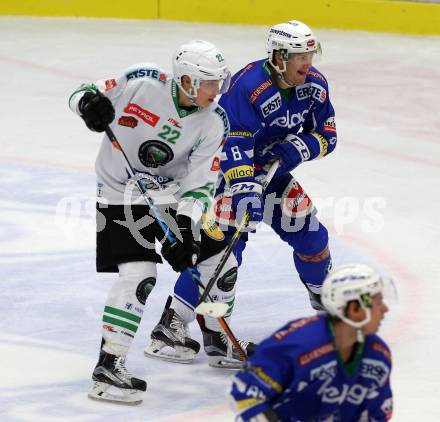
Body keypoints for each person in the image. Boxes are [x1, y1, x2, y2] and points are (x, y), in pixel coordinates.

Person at [146, 20, 337, 368]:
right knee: (222, 255)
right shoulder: (248, 85)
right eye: (299, 56)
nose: (308, 63)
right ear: (279, 57)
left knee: (312, 236)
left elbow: (328, 133)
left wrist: (301, 146)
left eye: (311, 54)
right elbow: (234, 141)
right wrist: (244, 189)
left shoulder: (315, 86)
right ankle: (172, 324)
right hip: (227, 175)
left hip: (272, 176)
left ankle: (324, 301)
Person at [69, 40, 235, 405]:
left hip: (170, 195)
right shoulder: (142, 81)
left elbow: (200, 185)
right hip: (117, 193)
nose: (216, 90)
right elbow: (84, 93)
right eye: (209, 83)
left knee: (219, 259)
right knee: (140, 275)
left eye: (218, 82)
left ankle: (200, 336)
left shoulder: (214, 122)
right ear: (188, 80)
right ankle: (109, 366)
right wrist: (88, 106)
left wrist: (188, 233)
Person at [230, 263, 394, 421]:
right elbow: (246, 392)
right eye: (378, 303)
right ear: (354, 309)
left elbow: (377, 414)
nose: (385, 310)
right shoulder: (297, 343)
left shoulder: (378, 354)